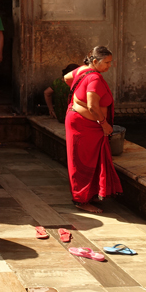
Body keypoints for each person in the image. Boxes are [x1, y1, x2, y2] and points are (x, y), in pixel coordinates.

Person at [63, 46, 122, 214]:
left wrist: (77, 99)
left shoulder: (81, 70)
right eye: (107, 63)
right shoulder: (94, 78)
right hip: (84, 125)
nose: (110, 66)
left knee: (91, 159)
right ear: (95, 62)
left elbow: (67, 78)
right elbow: (93, 107)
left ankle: (90, 193)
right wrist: (104, 124)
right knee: (82, 161)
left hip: (79, 121)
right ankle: (81, 200)